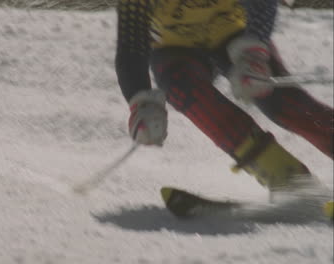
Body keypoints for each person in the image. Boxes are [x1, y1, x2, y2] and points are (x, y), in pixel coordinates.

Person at [115, 0, 333, 192]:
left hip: (235, 34)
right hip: (175, 48)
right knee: (184, 89)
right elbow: (131, 43)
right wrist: (140, 101)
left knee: (282, 102)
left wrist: (253, 54)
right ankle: (288, 179)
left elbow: (263, 4)